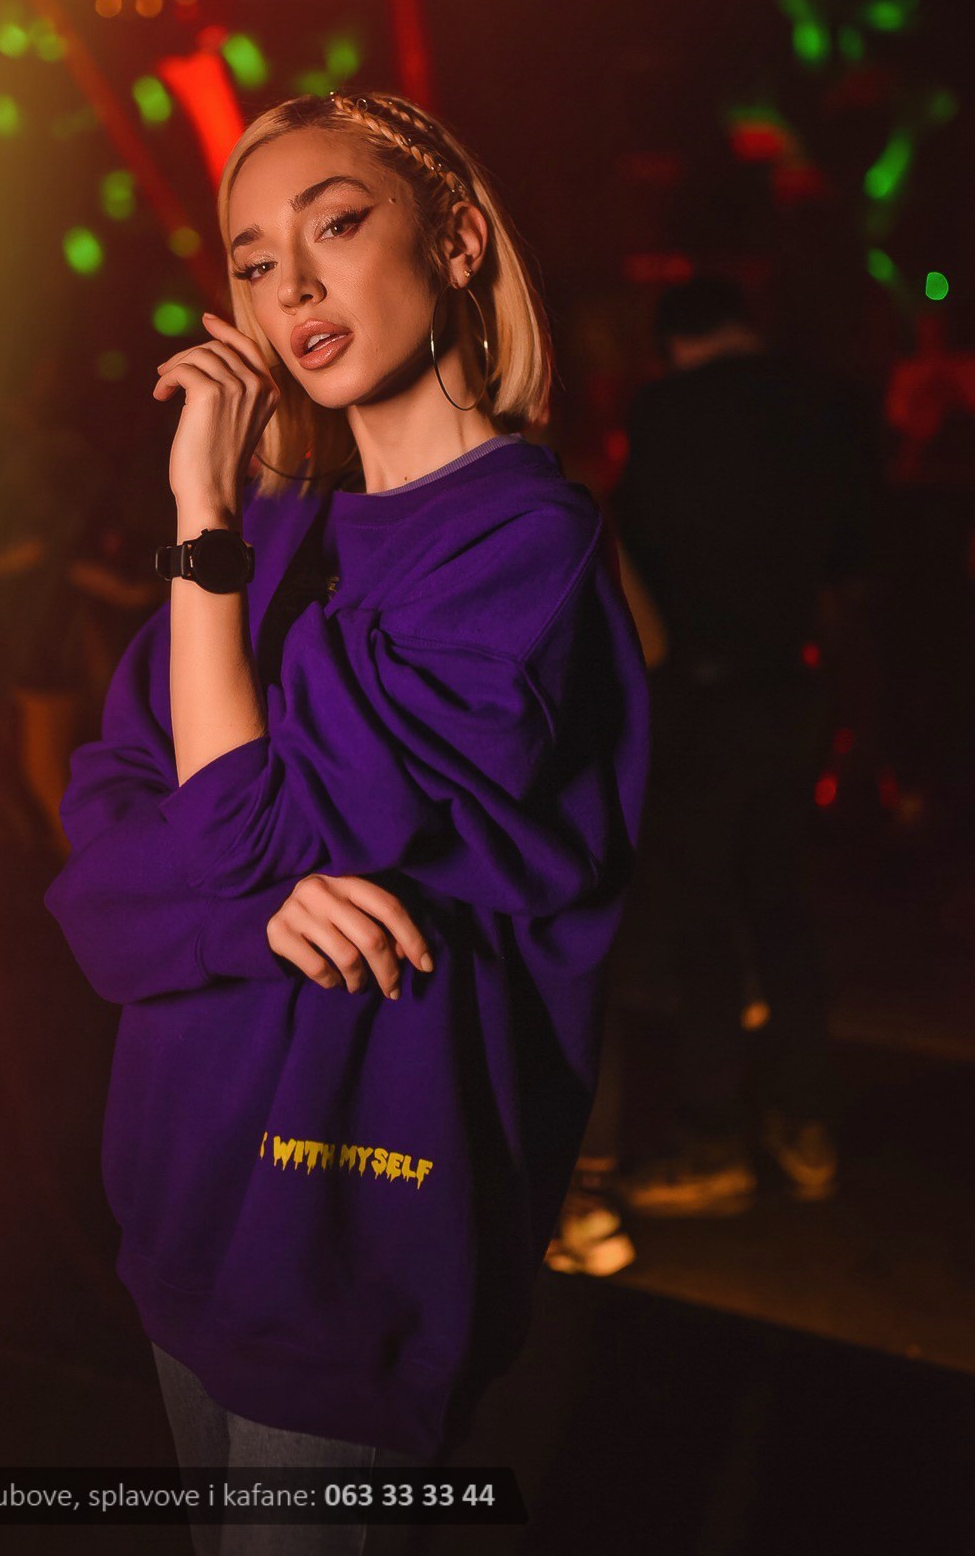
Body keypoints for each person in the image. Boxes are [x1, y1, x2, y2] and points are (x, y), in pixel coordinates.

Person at [43, 91, 650, 1552]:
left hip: (353, 1239)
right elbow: (100, 865)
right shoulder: (280, 536)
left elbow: (223, 835)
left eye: (336, 225)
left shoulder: (521, 544)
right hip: (183, 1204)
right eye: (255, 261)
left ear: (454, 238)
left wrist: (202, 520)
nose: (294, 287)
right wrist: (252, 906)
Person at [608, 275, 875, 1216]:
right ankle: (805, 1125)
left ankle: (712, 1136)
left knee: (702, 917)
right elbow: (850, 567)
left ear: (672, 341)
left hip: (698, 692)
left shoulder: (665, 410)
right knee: (782, 901)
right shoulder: (825, 405)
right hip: (791, 685)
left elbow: (631, 552)